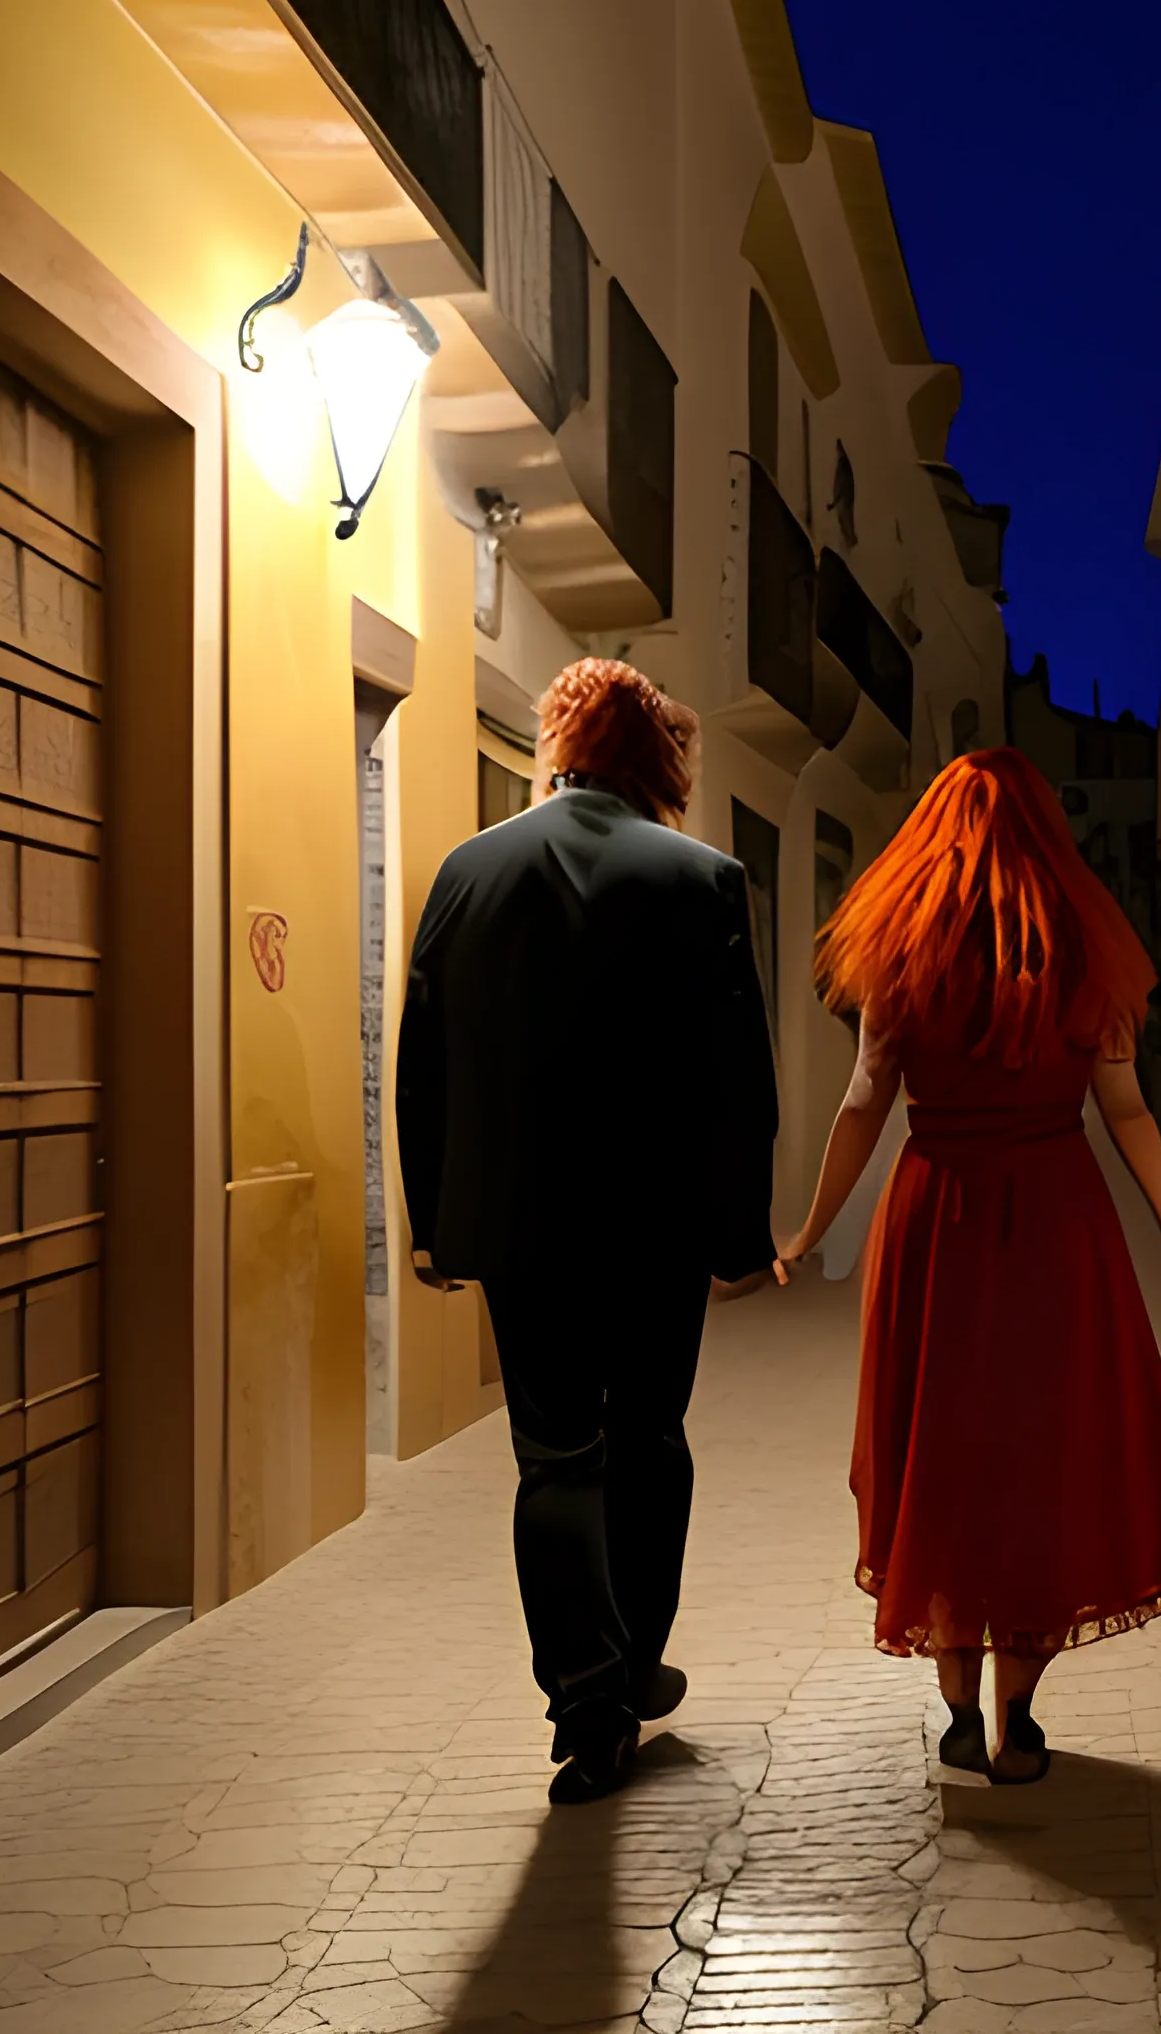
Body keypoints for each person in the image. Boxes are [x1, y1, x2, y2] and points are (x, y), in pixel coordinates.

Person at [777, 747, 1161, 1784]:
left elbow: (860, 1104)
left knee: (940, 1454)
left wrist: (803, 1230)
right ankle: (1019, 1718)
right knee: (1041, 1457)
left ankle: (956, 1714)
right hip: (1057, 1220)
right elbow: (1124, 1108)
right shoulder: (1083, 950)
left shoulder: (900, 953)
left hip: (934, 1214)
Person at [395, 659, 778, 1805]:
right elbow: (737, 1078)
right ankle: (635, 1657)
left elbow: (423, 1059)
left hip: (518, 1225)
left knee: (553, 1452)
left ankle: (587, 1696)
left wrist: (432, 1220)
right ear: (657, 762)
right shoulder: (703, 877)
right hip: (654, 1226)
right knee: (648, 1438)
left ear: (555, 746)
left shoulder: (469, 869)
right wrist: (740, 1231)